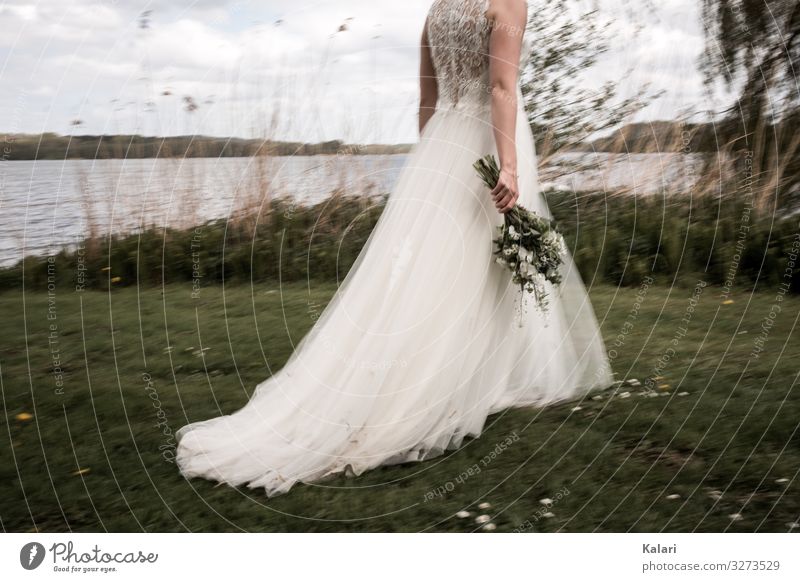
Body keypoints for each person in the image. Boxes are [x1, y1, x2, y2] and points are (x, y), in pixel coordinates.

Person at [175, 0, 614, 498]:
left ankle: (468, 377)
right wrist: (508, 168)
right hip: (487, 144)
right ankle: (433, 391)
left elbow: (427, 100)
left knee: (435, 270)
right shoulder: (507, 3)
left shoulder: (438, 9)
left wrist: (430, 164)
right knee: (477, 267)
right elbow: (499, 86)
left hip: (440, 149)